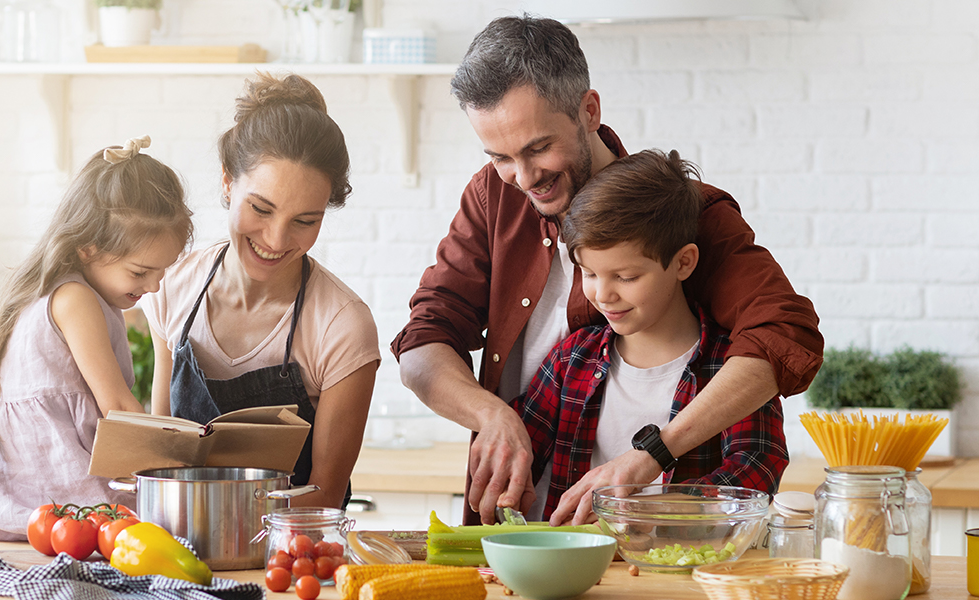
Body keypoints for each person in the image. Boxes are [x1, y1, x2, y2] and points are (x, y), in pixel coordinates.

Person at [391, 16, 822, 524]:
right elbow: (422, 343)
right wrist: (491, 416)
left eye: (537, 148)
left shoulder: (682, 213)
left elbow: (784, 334)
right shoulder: (493, 195)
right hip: (530, 531)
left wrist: (652, 459)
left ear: (588, 110)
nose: (524, 178)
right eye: (500, 156)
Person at [142, 73, 380, 511]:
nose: (275, 239)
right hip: (180, 547)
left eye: (305, 221)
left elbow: (323, 496)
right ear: (228, 182)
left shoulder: (342, 325)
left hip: (290, 556)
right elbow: (162, 456)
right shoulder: (171, 287)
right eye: (261, 208)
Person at [516, 149, 789, 526]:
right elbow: (519, 453)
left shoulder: (732, 369)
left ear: (683, 262)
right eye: (589, 273)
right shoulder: (570, 359)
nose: (603, 295)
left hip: (683, 573)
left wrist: (643, 513)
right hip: (575, 572)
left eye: (626, 277)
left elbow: (755, 474)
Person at [0, 137, 192, 540]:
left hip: (29, 497)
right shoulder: (75, 299)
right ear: (88, 249)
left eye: (162, 272)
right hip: (56, 495)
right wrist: (175, 464)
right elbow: (117, 406)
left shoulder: (68, 290)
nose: (154, 286)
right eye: (140, 272)